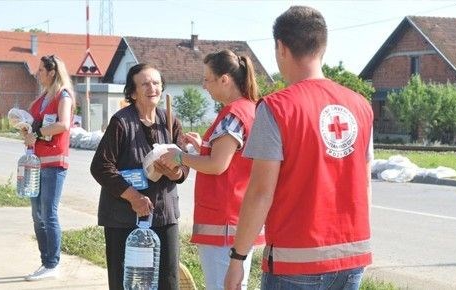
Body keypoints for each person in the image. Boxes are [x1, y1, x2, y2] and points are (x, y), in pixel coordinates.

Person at [224, 6, 374, 290]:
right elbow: (364, 185)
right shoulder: (361, 106)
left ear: (281, 47)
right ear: (323, 46)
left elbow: (259, 193)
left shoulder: (276, 108)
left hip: (296, 260)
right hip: (352, 256)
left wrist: (237, 259)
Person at [160, 49, 264, 290]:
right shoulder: (249, 108)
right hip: (237, 217)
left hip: (223, 222)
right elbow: (231, 158)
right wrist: (202, 147)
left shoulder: (232, 114)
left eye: (207, 79)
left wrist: (179, 157)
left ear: (224, 79)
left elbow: (218, 165)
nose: (204, 86)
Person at [90, 63, 189, 290]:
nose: (152, 88)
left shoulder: (171, 120)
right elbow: (101, 166)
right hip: (124, 219)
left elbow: (184, 163)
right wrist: (133, 197)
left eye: (156, 83)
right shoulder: (121, 122)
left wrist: (176, 171)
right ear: (133, 92)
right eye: (145, 84)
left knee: (167, 280)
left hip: (164, 217)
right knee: (128, 282)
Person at [22, 55, 75, 281]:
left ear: (52, 72)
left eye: (41, 70)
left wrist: (39, 133)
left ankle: (52, 264)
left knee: (49, 213)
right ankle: (45, 262)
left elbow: (63, 124)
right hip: (35, 161)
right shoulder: (41, 99)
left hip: (54, 163)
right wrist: (25, 131)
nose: (37, 73)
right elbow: (33, 125)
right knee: (37, 215)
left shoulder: (63, 96)